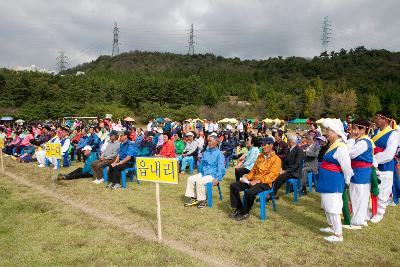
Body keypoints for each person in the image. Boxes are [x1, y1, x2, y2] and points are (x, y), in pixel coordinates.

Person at [317, 119, 353, 243]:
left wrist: (346, 182)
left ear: (336, 133)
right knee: (327, 205)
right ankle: (332, 226)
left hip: (333, 180)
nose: (327, 133)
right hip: (327, 180)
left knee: (333, 207)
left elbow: (347, 167)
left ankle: (338, 235)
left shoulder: (341, 148)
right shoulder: (333, 145)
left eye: (329, 131)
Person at [229, 137, 281, 221]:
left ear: (271, 145)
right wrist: (246, 177)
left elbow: (272, 176)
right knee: (234, 186)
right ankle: (239, 208)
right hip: (254, 181)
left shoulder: (276, 160)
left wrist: (257, 181)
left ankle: (245, 212)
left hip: (266, 183)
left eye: (265, 145)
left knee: (250, 192)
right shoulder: (260, 157)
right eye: (262, 145)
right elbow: (253, 170)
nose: (263, 147)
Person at [370, 111, 399, 223]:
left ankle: (380, 212)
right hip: (373, 164)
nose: (375, 120)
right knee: (373, 187)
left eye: (378, 118)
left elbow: (389, 153)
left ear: (385, 120)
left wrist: (374, 160)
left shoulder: (393, 134)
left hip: (385, 165)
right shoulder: (375, 132)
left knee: (383, 189)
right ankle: (372, 209)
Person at [344, 119, 374, 229]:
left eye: (355, 129)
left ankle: (357, 222)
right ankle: (363, 217)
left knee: (357, 196)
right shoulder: (363, 140)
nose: (353, 131)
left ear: (363, 129)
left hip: (360, 172)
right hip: (361, 171)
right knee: (362, 196)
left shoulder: (363, 142)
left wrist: (351, 139)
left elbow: (349, 153)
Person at [184, 135, 225, 209]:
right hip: (204, 173)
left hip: (212, 175)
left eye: (210, 141)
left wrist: (218, 178)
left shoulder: (219, 154)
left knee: (200, 182)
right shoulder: (206, 152)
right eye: (208, 141)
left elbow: (221, 168)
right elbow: (202, 163)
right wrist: (200, 171)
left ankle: (203, 200)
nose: (209, 143)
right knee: (190, 179)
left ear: (216, 142)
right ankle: (193, 197)